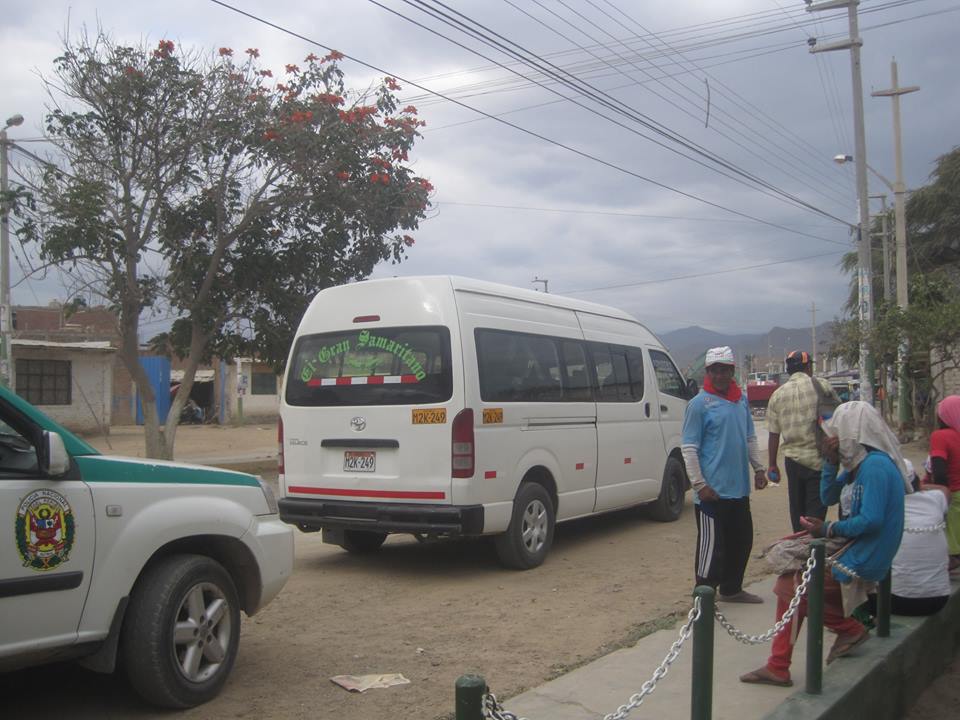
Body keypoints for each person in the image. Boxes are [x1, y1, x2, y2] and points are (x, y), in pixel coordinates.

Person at [740, 401, 909, 687]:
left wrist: (829, 527)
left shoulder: (876, 466)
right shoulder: (857, 465)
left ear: (852, 434)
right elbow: (829, 496)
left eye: (836, 435)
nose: (831, 441)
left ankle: (849, 630)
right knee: (790, 582)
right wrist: (830, 463)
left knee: (789, 587)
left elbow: (872, 520)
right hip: (855, 547)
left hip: (866, 555)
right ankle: (778, 665)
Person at [682, 346, 768, 604]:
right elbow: (689, 448)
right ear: (707, 372)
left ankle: (731, 589)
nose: (719, 375)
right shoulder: (698, 405)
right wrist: (699, 485)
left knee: (741, 542)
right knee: (711, 550)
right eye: (714, 371)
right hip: (712, 494)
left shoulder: (740, 400)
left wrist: (759, 468)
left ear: (732, 371)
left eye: (724, 370)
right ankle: (704, 599)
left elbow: (750, 437)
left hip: (739, 489)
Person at [766, 350, 841, 532]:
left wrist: (772, 465)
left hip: (793, 463)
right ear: (808, 367)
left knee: (798, 515)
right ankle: (812, 554)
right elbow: (840, 415)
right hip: (819, 461)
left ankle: (800, 552)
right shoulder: (822, 385)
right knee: (814, 518)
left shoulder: (777, 395)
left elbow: (773, 434)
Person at [929, 395, 960, 570]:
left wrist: (939, 493)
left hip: (953, 495)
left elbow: (939, 470)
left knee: (951, 553)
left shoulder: (940, 436)